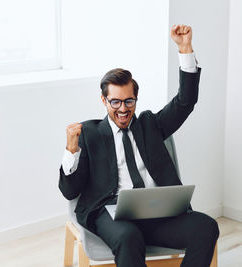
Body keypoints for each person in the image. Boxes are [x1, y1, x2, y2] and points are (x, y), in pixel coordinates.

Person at [59, 24, 219, 267]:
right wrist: (72, 152)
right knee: (128, 237)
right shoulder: (89, 133)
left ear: (136, 98)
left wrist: (185, 49)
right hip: (112, 215)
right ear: (104, 100)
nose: (123, 109)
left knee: (206, 227)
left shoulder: (150, 125)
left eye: (129, 101)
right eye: (115, 102)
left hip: (159, 215)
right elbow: (70, 192)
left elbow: (186, 101)